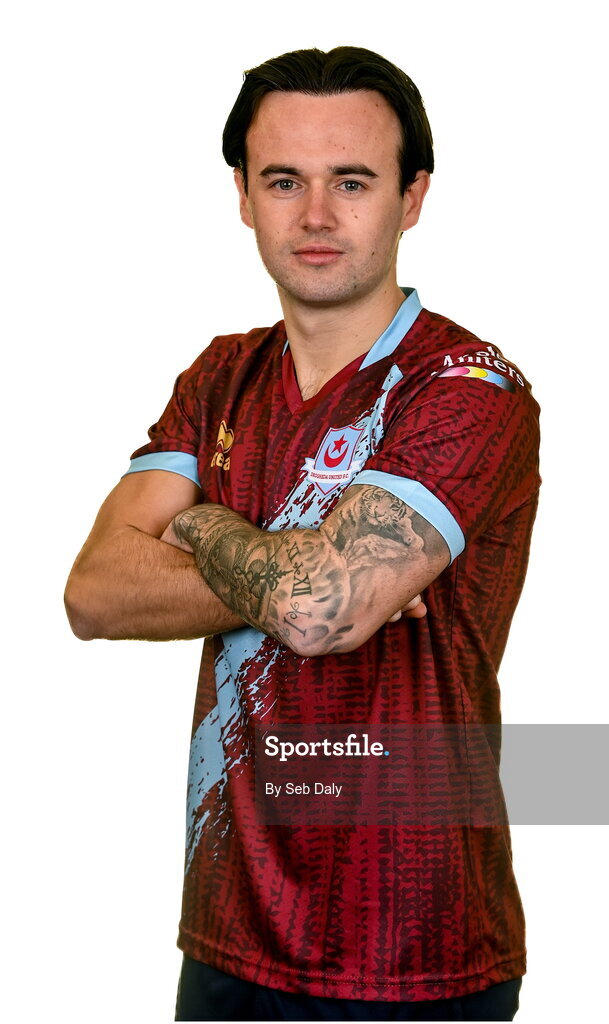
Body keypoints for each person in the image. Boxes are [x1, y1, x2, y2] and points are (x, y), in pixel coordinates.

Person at [64, 46, 540, 1022]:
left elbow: (321, 610)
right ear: (243, 194)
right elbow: (91, 591)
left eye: (352, 181)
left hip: (416, 955)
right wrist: (294, 567)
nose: (316, 215)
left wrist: (193, 527)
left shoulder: (470, 388)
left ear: (412, 198)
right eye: (285, 180)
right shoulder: (220, 375)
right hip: (229, 932)